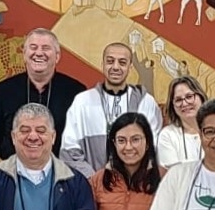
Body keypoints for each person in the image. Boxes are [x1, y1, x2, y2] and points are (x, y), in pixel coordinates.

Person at [60, 42, 163, 178]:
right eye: (110, 61)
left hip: (135, 189)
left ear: (130, 67)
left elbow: (154, 149)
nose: (115, 67)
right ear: (102, 64)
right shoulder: (83, 101)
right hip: (92, 188)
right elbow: (69, 151)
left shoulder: (146, 102)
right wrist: (96, 181)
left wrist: (131, 180)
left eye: (122, 62)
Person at [0, 28, 86, 160]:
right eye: (33, 47)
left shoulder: (76, 92)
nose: (39, 53)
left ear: (57, 56)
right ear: (24, 54)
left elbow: (83, 137)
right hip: (16, 171)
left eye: (45, 48)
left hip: (62, 172)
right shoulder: (4, 90)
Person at [157, 76, 206, 167]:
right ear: (173, 106)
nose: (184, 103)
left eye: (189, 96)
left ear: (201, 97)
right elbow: (175, 173)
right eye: (178, 100)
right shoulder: (168, 135)